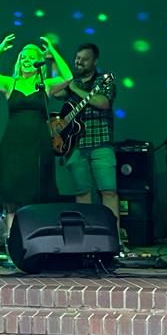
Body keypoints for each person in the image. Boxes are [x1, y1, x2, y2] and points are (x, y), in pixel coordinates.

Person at [0, 34, 72, 230]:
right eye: (23, 57)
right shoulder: (10, 83)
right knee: (11, 193)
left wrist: (53, 52)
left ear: (39, 62)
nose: (27, 61)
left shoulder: (45, 85)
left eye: (31, 57)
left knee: (37, 191)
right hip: (13, 145)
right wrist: (0, 48)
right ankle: (11, 239)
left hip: (38, 144)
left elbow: (68, 77)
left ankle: (34, 237)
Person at [49, 43, 119, 230]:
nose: (79, 62)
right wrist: (53, 63)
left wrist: (75, 89)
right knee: (82, 192)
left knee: (109, 191)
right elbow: (56, 92)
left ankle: (114, 235)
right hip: (75, 146)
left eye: (84, 59)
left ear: (95, 61)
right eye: (77, 58)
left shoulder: (103, 80)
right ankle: (87, 234)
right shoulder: (72, 80)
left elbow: (103, 102)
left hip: (100, 144)